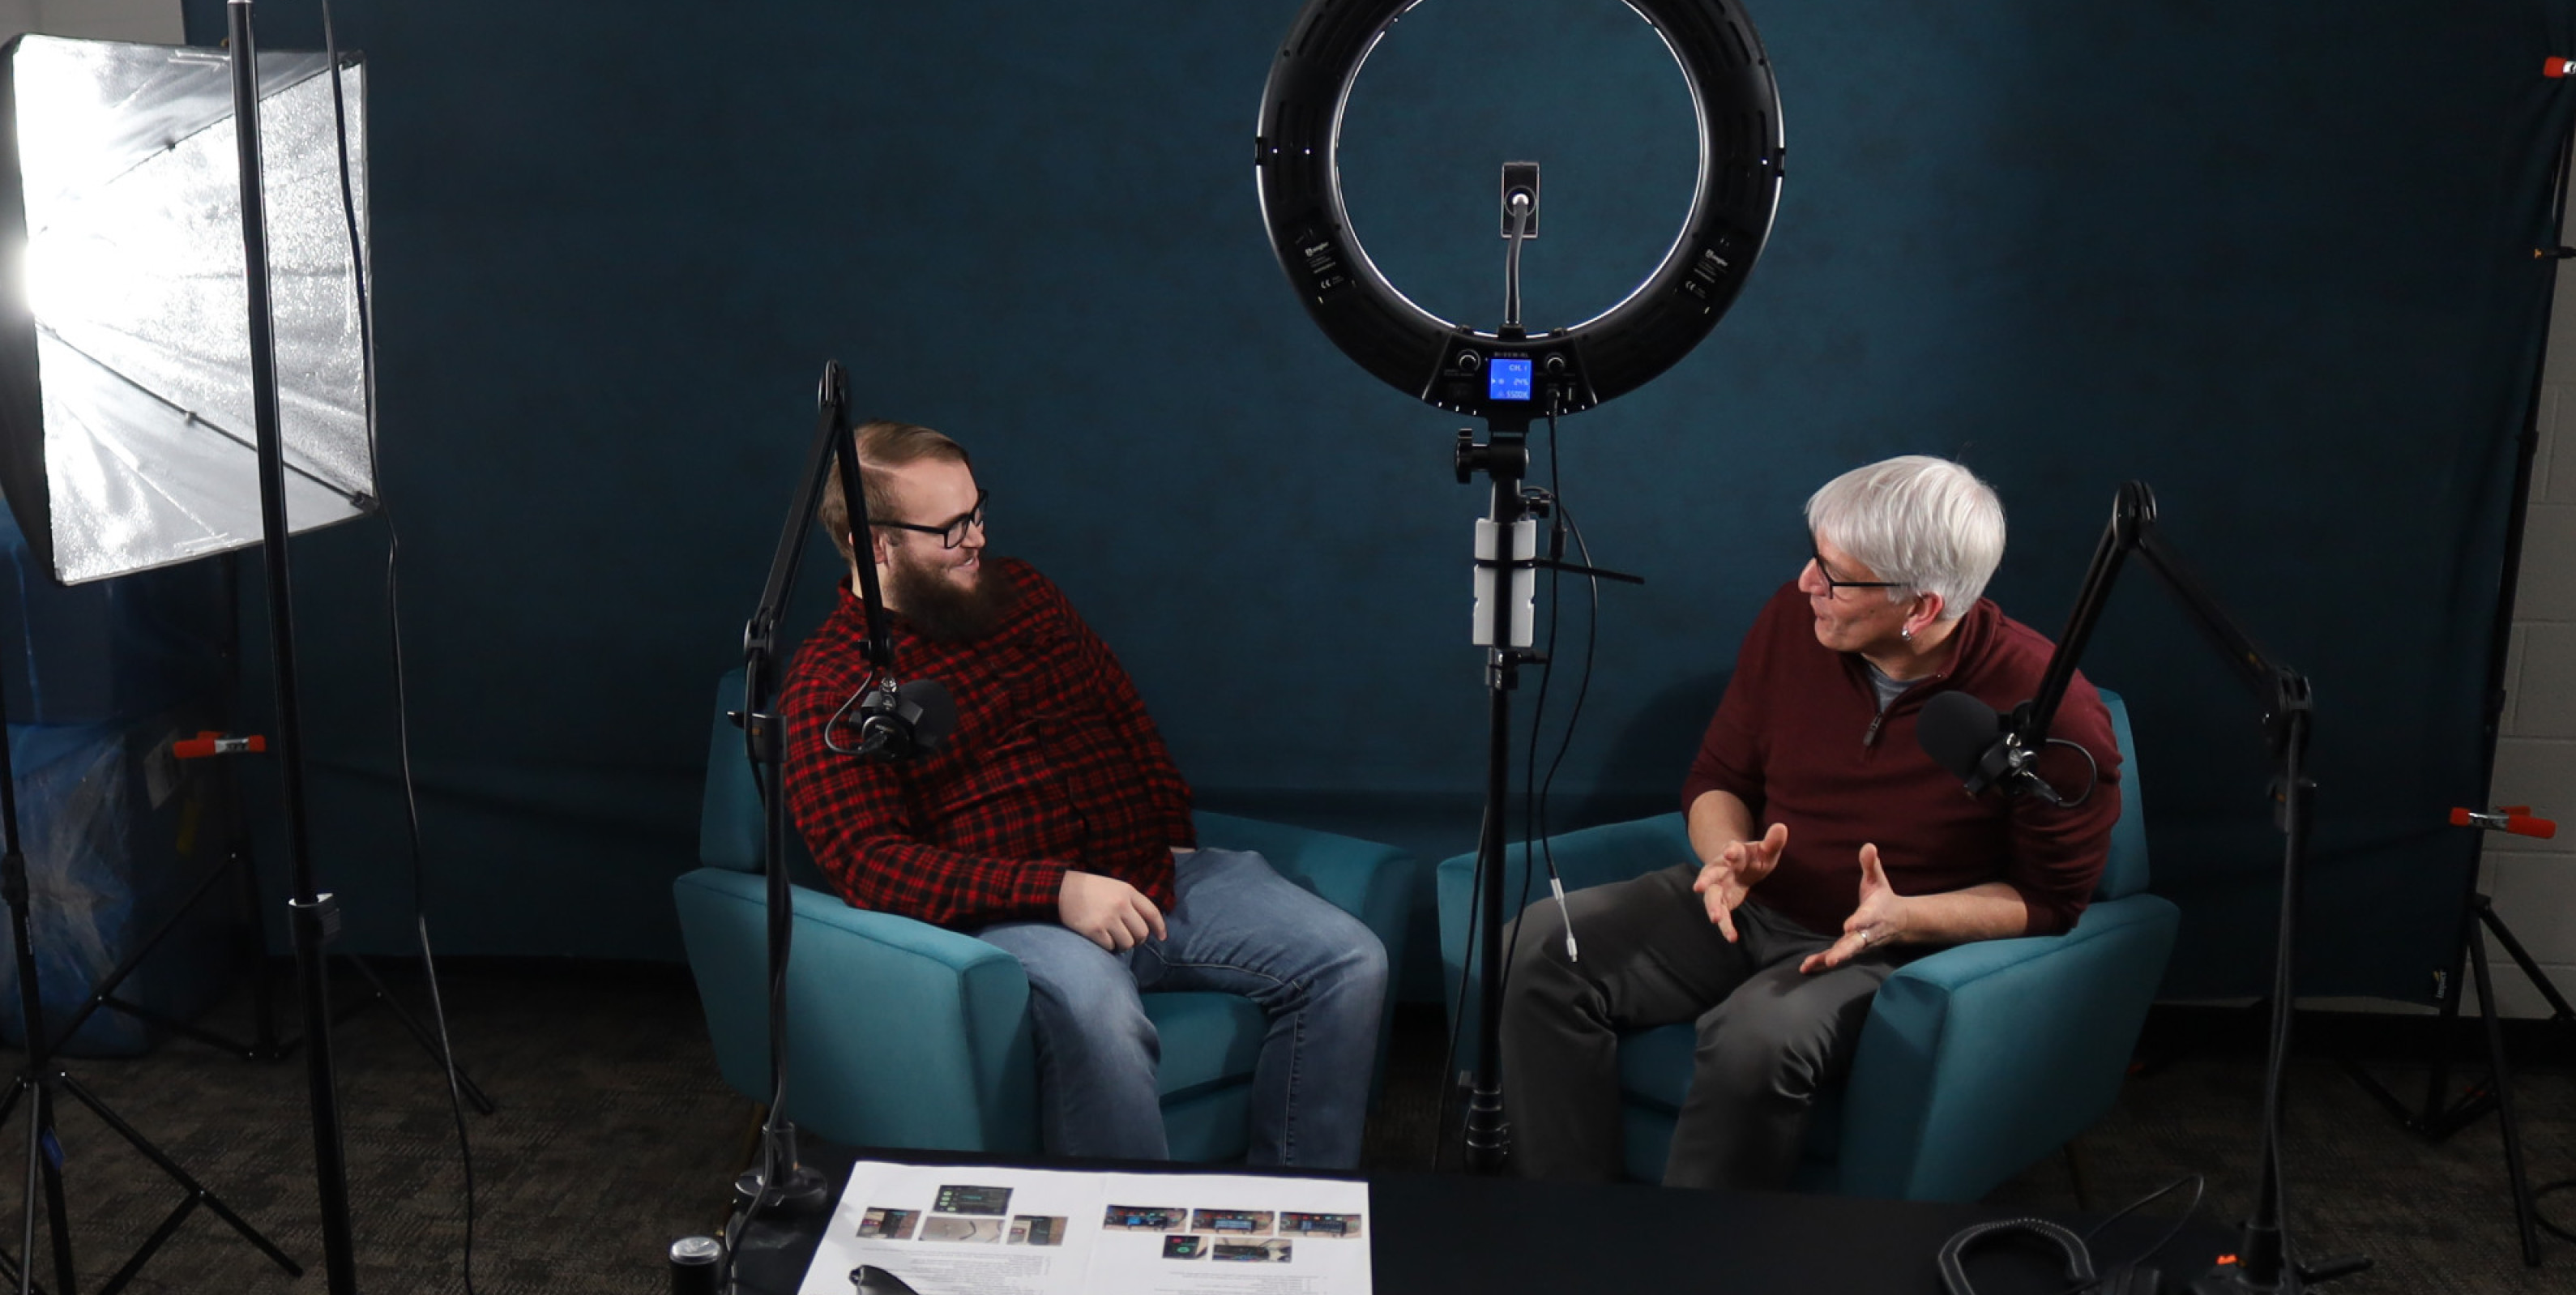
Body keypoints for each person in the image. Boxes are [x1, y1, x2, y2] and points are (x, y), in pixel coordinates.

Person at [1498, 455, 2124, 1190]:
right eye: (1813, 559)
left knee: (1754, 1042)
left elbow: (2051, 902)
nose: (1806, 585)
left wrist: (1903, 919)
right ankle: (1567, 1222)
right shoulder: (1795, 624)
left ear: (1921, 607)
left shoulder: (2055, 713)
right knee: (1537, 947)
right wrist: (1728, 854)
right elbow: (1718, 778)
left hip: (1882, 947)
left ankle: (1696, 1264)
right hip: (1751, 906)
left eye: (1835, 574)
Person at [780, 420, 1391, 1169]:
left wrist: (1170, 829)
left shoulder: (1026, 594)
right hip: (1020, 916)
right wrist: (1058, 890)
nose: (976, 539)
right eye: (950, 529)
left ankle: (1297, 1206)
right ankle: (1121, 1246)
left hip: (1151, 875)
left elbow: (1122, 710)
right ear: (877, 546)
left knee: (1349, 959)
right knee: (1097, 1013)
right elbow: (870, 863)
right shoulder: (833, 688)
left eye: (978, 512)